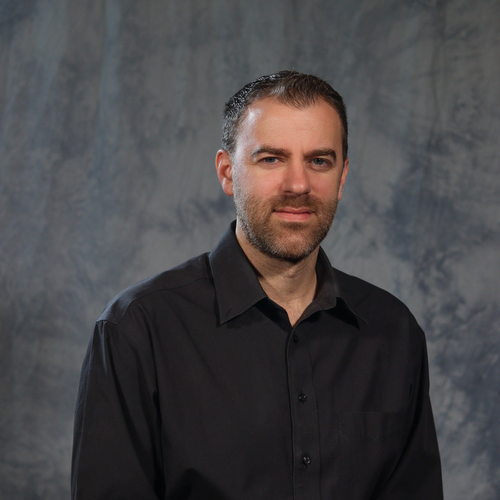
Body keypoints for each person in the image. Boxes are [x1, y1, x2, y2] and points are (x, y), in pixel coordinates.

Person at [71, 70, 443, 499]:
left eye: (319, 161)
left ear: (341, 178)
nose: (298, 185)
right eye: (271, 159)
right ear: (227, 172)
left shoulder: (394, 332)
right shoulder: (137, 330)